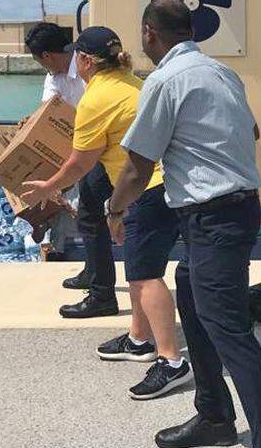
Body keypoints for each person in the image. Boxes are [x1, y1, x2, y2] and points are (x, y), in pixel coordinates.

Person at [106, 0, 261, 448]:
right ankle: (215, 413)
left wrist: (114, 209)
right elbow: (253, 133)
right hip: (229, 210)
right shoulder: (222, 75)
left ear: (150, 34)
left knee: (232, 333)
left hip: (213, 216)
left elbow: (136, 164)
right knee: (191, 295)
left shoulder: (165, 82)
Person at [23, 26, 192, 398]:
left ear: (84, 60)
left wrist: (48, 188)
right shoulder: (134, 82)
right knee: (136, 269)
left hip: (147, 189)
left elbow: (80, 163)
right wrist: (116, 210)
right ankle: (139, 338)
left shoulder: (96, 99)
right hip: (162, 183)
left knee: (146, 276)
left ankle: (171, 360)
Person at [25, 21, 109, 304]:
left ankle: (101, 290)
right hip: (79, 148)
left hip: (104, 149)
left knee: (93, 216)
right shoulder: (54, 78)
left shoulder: (87, 65)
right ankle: (94, 272)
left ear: (46, 56)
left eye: (40, 61)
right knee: (88, 216)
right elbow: (47, 113)